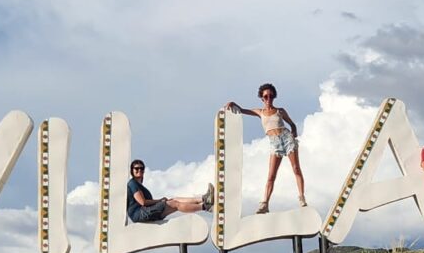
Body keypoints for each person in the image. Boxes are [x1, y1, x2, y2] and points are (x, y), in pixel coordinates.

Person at [225, 83, 306, 213]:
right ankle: (265, 204)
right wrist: (232, 103)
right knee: (271, 176)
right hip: (274, 143)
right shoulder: (260, 112)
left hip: (286, 139)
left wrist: (294, 131)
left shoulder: (280, 111)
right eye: (266, 96)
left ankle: (302, 198)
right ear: (262, 98)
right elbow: (242, 110)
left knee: (296, 168)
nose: (269, 99)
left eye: (271, 96)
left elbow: (292, 123)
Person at [127, 160, 214, 222]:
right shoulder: (132, 183)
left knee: (174, 200)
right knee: (175, 204)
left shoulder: (138, 185)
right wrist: (160, 200)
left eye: (142, 168)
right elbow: (142, 202)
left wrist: (161, 201)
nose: (140, 170)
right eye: (137, 168)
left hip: (144, 213)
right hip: (140, 214)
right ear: (132, 170)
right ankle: (206, 207)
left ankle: (204, 199)